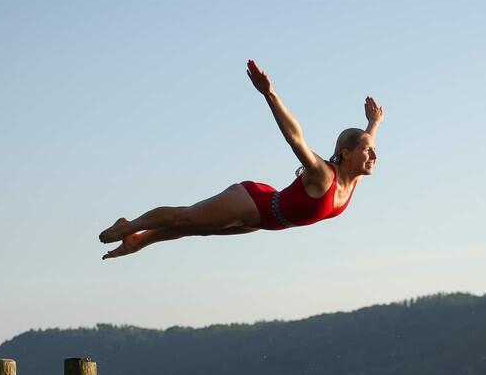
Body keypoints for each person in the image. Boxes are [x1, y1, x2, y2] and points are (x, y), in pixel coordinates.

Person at [99, 59, 383, 259]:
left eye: (373, 150)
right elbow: (295, 138)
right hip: (252, 202)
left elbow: (363, 143)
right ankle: (128, 226)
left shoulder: (352, 179)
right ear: (345, 154)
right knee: (183, 217)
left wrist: (373, 124)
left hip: (264, 219)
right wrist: (269, 94)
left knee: (194, 230)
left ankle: (138, 241)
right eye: (368, 150)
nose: (374, 154)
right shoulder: (324, 175)